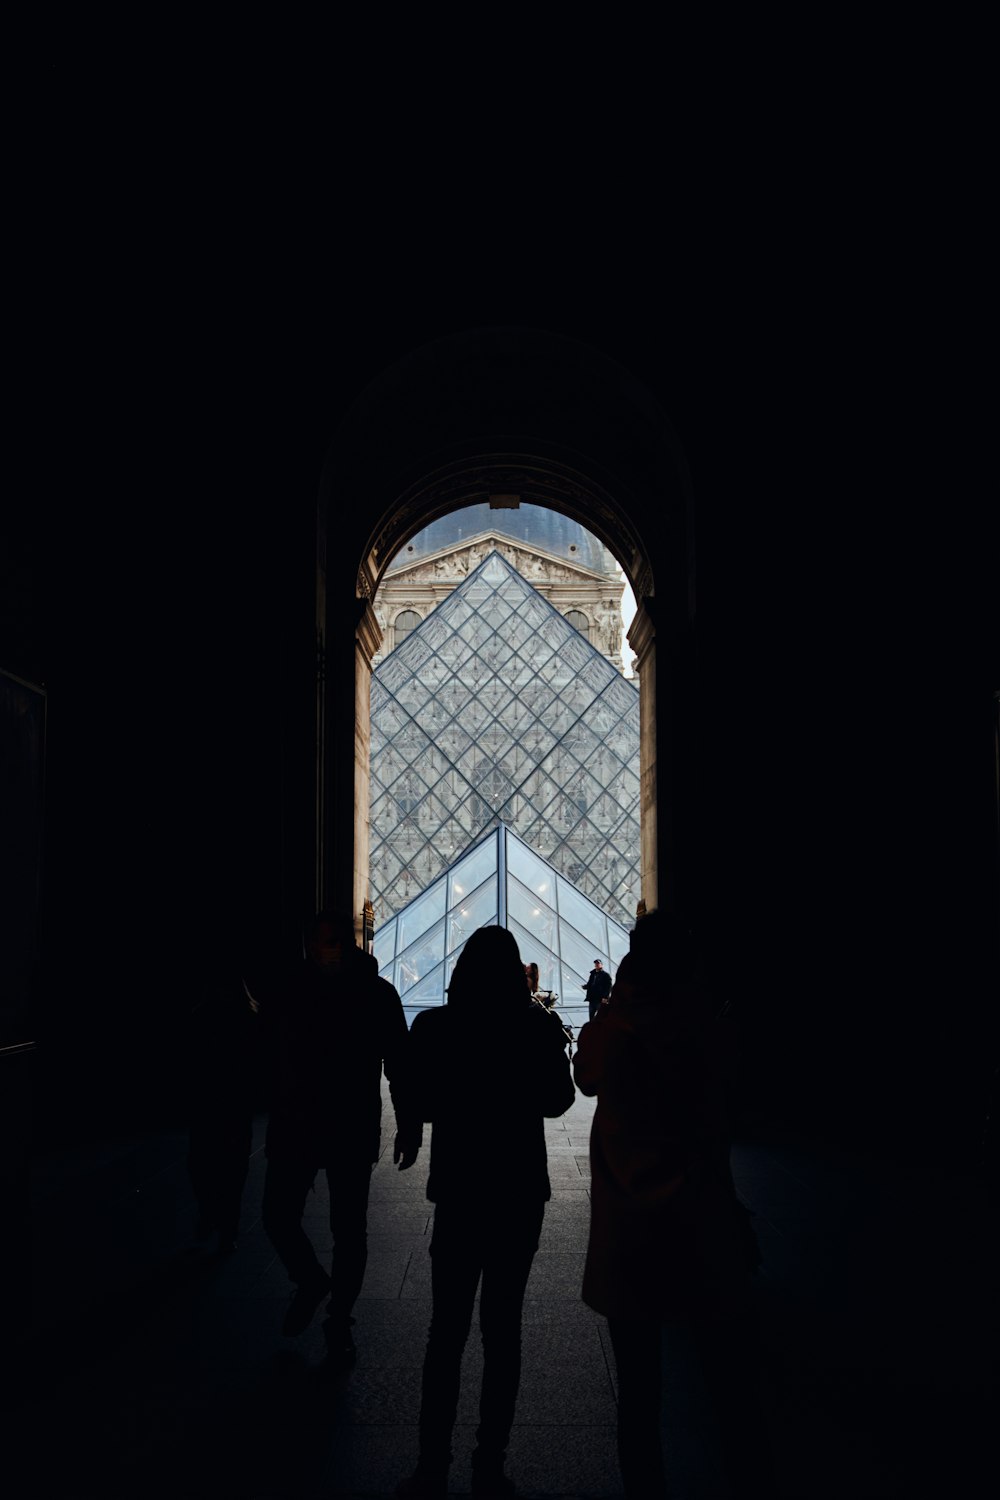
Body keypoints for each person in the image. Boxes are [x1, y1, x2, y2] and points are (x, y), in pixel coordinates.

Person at [572, 909, 775, 1498]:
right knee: (730, 1390)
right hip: (703, 1221)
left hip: (630, 1232)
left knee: (639, 1396)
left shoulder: (614, 1030)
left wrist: (615, 1009)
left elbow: (583, 1079)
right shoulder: (710, 1026)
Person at [395, 925, 575, 1500]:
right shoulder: (536, 1027)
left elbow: (417, 1098)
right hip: (519, 1191)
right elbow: (559, 1101)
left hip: (459, 1190)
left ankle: (430, 1464)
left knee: (445, 1331)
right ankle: (490, 1460)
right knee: (504, 1332)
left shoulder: (436, 1027)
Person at [256, 910, 419, 1371]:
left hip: (327, 1124)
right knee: (284, 1217)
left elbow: (399, 1064)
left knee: (343, 1230)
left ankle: (337, 1312)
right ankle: (317, 1288)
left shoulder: (296, 991)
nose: (329, 950)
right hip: (324, 1122)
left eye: (335, 942)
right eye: (323, 942)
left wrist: (409, 1124)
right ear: (310, 945)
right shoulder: (373, 993)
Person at [581, 956, 612, 1021]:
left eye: (598, 963)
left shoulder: (606, 975)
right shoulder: (593, 974)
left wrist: (605, 997)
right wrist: (585, 986)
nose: (597, 965)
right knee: (591, 1016)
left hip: (600, 999)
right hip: (592, 999)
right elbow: (590, 984)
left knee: (602, 1016)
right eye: (596, 964)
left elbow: (609, 987)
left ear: (601, 965)